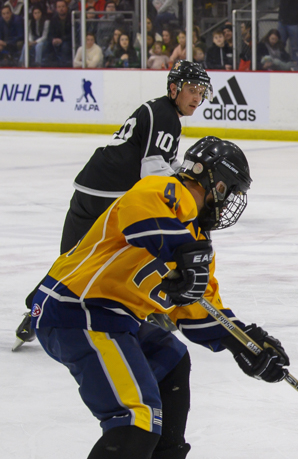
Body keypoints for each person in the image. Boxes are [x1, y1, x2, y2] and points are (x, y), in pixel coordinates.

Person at [30, 136, 287, 459]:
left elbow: (201, 314)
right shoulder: (167, 192)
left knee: (170, 357)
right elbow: (141, 218)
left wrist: (246, 343)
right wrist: (186, 252)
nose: (229, 204)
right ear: (215, 183)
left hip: (116, 317)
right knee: (136, 414)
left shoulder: (196, 238)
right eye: (230, 190)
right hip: (76, 310)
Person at [15, 62, 213, 348]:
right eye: (192, 90)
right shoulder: (166, 116)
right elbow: (153, 171)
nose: (197, 97)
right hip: (109, 194)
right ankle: (151, 309)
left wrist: (184, 172)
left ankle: (34, 313)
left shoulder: (161, 110)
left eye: (201, 91)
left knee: (73, 256)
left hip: (89, 187)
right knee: (144, 243)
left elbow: (165, 163)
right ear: (174, 89)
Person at [45, 0, 72, 66]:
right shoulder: (53, 19)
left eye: (63, 6)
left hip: (68, 41)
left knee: (65, 46)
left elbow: (73, 34)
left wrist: (62, 40)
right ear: (56, 9)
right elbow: (50, 34)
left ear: (67, 7)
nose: (61, 9)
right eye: (59, 7)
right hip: (57, 40)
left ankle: (64, 66)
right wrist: (53, 39)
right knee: (46, 45)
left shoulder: (72, 18)